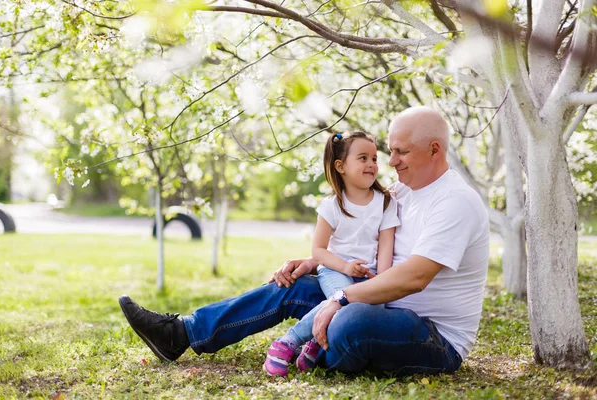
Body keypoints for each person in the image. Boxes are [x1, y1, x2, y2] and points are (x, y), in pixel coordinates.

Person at [119, 106, 490, 376]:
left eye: (401, 151)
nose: (391, 161)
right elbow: (364, 244)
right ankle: (182, 332)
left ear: (435, 150)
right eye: (389, 151)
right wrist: (316, 261)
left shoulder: (455, 201)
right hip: (377, 302)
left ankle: (310, 347)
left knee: (351, 322)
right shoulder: (402, 191)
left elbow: (414, 277)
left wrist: (341, 299)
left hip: (431, 335)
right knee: (293, 287)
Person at [264, 131, 400, 376]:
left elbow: (386, 245)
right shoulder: (332, 206)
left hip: (369, 276)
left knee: (375, 310)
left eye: (374, 159)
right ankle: (288, 342)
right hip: (335, 270)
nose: (371, 164)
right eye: (362, 158)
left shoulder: (385, 202)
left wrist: (382, 281)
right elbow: (318, 251)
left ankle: (316, 344)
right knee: (340, 303)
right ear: (341, 166)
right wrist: (346, 267)